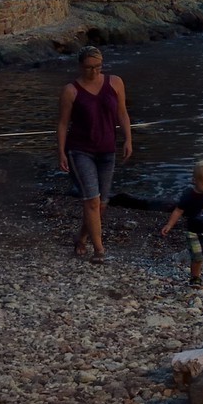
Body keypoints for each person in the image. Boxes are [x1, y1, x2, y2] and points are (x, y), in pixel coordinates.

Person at [56, 46, 133, 263]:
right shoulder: (71, 90)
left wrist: (128, 138)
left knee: (101, 204)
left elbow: (122, 113)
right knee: (91, 200)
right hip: (80, 149)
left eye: (98, 67)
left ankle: (81, 237)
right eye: (89, 67)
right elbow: (62, 123)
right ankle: (99, 250)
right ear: (81, 66)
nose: (94, 72)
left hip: (107, 149)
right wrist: (61, 151)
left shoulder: (115, 83)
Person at [159, 160, 203, 289]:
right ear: (194, 180)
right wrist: (169, 225)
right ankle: (195, 277)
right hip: (194, 231)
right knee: (197, 256)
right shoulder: (189, 195)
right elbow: (178, 210)